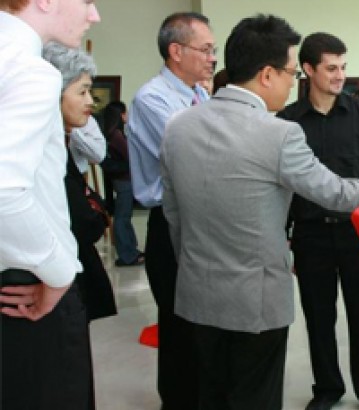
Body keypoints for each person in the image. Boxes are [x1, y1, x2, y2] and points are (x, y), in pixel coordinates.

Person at [160, 15, 359, 410]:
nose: (293, 84)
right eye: (291, 73)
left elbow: (175, 217)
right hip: (256, 303)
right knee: (254, 396)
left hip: (197, 298)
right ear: (268, 74)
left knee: (210, 395)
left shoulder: (178, 127)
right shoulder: (280, 131)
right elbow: (337, 193)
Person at [277, 32, 359, 410]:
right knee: (318, 318)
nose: (340, 75)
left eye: (343, 67)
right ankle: (327, 389)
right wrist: (283, 239)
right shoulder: (287, 122)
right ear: (308, 70)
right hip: (310, 236)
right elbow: (281, 189)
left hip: (358, 235)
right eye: (331, 68)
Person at [0, 1, 100, 408]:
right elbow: (5, 188)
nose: (94, 15)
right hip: (28, 284)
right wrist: (58, 274)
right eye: (88, 1)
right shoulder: (30, 69)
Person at [127, 11, 215, 409]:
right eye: (205, 49)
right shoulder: (153, 98)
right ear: (176, 51)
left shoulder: (201, 94)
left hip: (202, 218)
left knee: (203, 322)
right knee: (178, 325)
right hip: (170, 220)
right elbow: (195, 151)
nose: (212, 58)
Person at [44, 42, 117, 324]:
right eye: (82, 91)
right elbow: (84, 219)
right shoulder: (43, 152)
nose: (90, 101)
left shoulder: (61, 143)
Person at [100, 101, 143, 266]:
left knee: (123, 216)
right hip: (124, 180)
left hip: (120, 180)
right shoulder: (117, 135)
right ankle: (127, 255)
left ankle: (131, 250)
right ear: (120, 115)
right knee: (122, 217)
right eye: (125, 113)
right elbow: (129, 155)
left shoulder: (111, 133)